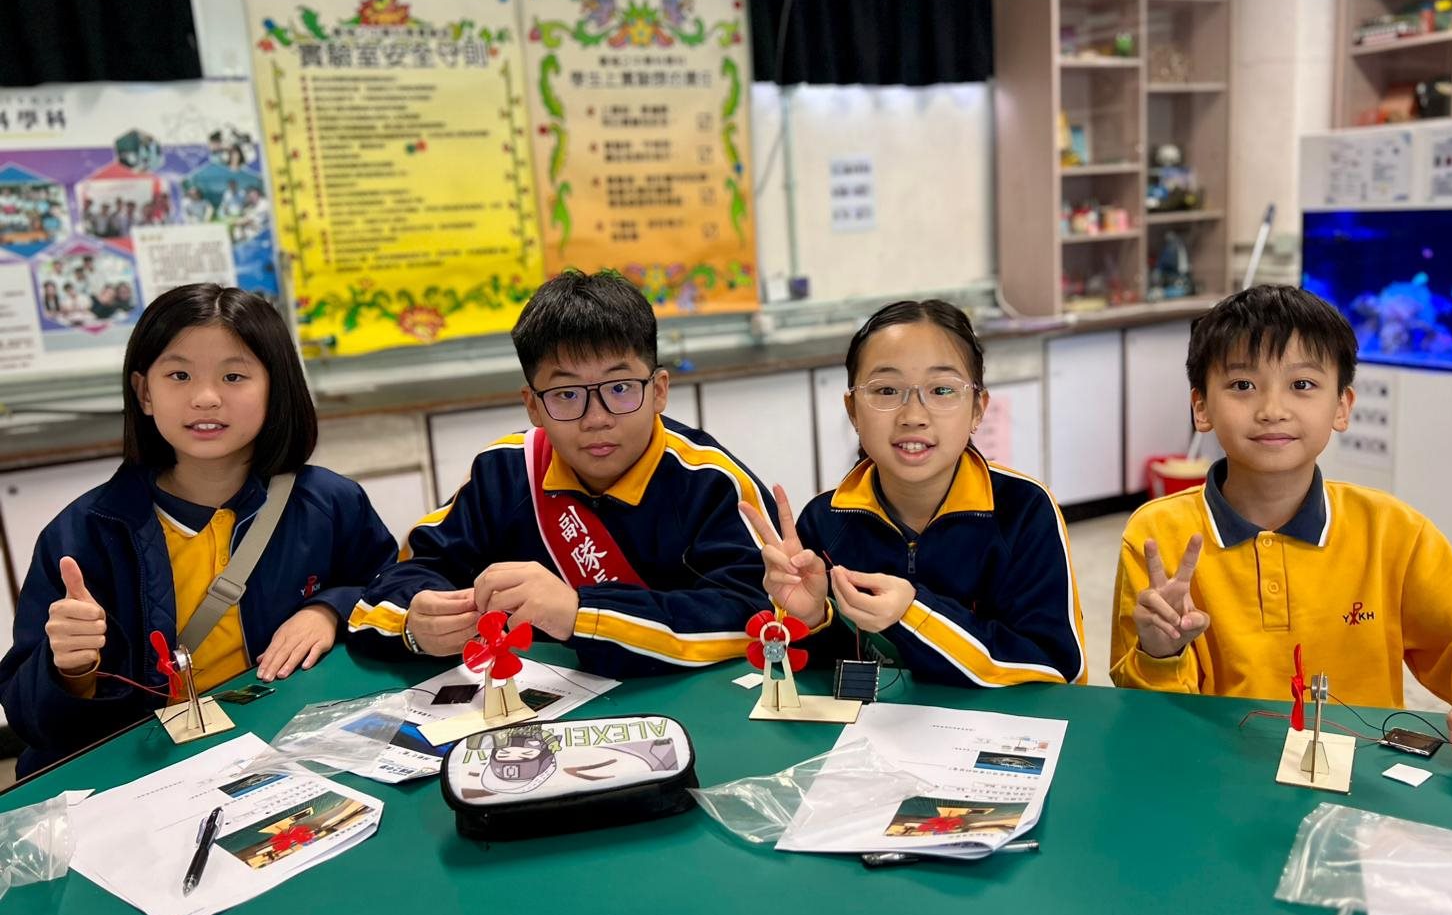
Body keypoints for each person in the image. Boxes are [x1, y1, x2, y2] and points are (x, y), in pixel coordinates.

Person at [1110, 285, 1452, 784]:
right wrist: (1161, 652)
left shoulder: (1391, 532)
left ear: (1342, 406)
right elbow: (1143, 727)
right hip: (1212, 787)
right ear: (1201, 407)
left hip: (1358, 795)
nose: (1272, 409)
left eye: (1302, 384)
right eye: (1242, 385)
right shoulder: (1158, 535)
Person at [0, 284, 396, 775]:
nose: (206, 398)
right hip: (148, 773)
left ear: (275, 388)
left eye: (234, 376)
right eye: (179, 375)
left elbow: (390, 589)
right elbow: (33, 721)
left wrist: (328, 609)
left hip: (284, 750)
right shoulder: (83, 534)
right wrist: (70, 668)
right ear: (145, 393)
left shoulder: (329, 502)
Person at [349, 269, 777, 678]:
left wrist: (581, 613)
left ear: (659, 390)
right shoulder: (504, 471)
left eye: (620, 388)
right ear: (533, 406)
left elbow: (759, 614)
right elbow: (402, 577)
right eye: (566, 394)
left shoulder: (713, 482)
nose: (596, 419)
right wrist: (415, 625)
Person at [743, 299, 1086, 687]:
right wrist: (811, 620)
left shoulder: (1023, 510)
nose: (913, 416)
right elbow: (830, 680)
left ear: (978, 409)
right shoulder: (824, 521)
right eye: (887, 390)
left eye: (942, 389)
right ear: (853, 411)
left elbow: (1058, 670)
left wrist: (914, 614)